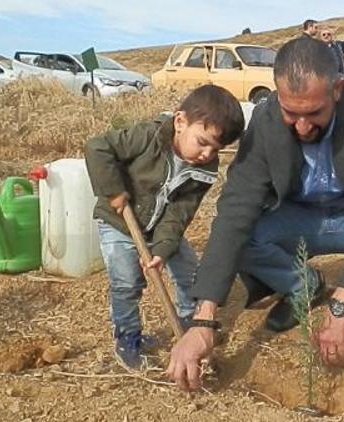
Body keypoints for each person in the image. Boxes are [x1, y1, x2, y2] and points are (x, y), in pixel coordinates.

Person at [168, 36, 344, 391]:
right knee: (244, 234)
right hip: (297, 219)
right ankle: (303, 287)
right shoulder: (265, 120)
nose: (301, 126)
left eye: (313, 114)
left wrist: (343, 303)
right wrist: (203, 321)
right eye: (290, 113)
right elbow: (235, 211)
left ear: (337, 90)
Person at [84, 85, 244, 371]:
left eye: (215, 149)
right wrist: (114, 191)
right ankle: (128, 339)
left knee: (188, 274)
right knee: (126, 283)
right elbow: (98, 148)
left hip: (161, 226)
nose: (207, 154)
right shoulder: (148, 136)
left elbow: (180, 213)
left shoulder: (204, 169)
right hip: (120, 222)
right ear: (180, 122)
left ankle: (189, 325)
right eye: (202, 141)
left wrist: (162, 249)